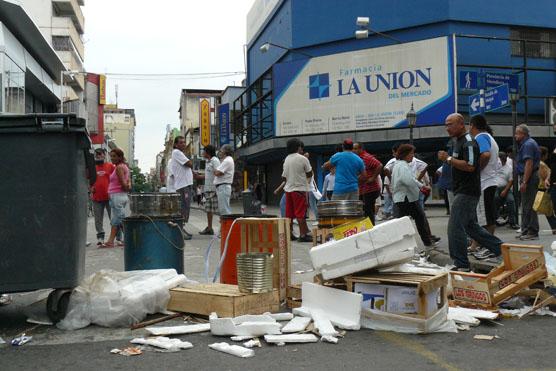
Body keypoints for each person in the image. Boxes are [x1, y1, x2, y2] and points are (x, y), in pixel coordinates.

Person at [438, 113, 502, 271]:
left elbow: (471, 165)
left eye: (450, 124)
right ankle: (503, 249)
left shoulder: (468, 142)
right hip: (462, 189)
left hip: (468, 191)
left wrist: (448, 159)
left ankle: (462, 264)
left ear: (461, 124)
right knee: (471, 226)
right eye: (446, 125)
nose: (447, 128)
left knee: (455, 226)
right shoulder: (458, 142)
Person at [392, 144, 437, 248]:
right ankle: (427, 242)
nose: (412, 156)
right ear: (405, 154)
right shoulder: (402, 166)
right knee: (419, 219)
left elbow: (410, 179)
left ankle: (403, 245)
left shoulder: (400, 165)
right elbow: (408, 180)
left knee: (405, 221)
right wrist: (422, 186)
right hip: (407, 198)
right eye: (411, 153)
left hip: (404, 198)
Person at [468, 115, 500, 258]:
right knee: (485, 216)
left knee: (486, 217)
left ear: (472, 125)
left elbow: (485, 155)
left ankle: (489, 246)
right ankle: (477, 244)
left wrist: (476, 169)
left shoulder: (480, 137)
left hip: (485, 182)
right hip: (490, 181)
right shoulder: (489, 137)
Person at [282, 138, 313, 242]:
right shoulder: (302, 158)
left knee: (289, 213)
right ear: (298, 147)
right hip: (299, 189)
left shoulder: (286, 159)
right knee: (301, 213)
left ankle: (289, 234)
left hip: (288, 190)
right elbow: (309, 173)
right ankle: (303, 234)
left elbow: (284, 177)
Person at [515, 124, 541, 240]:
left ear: (523, 134)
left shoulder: (528, 144)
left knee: (529, 205)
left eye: (517, 133)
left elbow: (529, 164)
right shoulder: (528, 143)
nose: (515, 136)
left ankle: (532, 231)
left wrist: (524, 181)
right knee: (526, 205)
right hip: (528, 176)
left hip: (529, 177)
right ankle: (526, 230)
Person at [102, 148, 131, 248]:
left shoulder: (119, 168)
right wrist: (127, 188)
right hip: (120, 195)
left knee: (118, 219)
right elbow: (128, 182)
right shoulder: (124, 166)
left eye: (114, 156)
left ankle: (122, 239)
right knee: (118, 218)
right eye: (111, 156)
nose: (112, 158)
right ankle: (119, 240)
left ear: (120, 157)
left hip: (117, 196)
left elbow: (123, 183)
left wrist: (125, 188)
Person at [168, 136, 194, 239]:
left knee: (185, 208)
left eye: (184, 142)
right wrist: (190, 162)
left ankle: (181, 228)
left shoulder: (180, 153)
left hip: (185, 184)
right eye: (181, 143)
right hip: (183, 185)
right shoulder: (176, 152)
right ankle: (179, 231)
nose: (183, 144)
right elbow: (189, 164)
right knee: (183, 208)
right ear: (176, 144)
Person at [354, 142, 383, 224]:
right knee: (365, 209)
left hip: (370, 188)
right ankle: (369, 226)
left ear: (361, 149)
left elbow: (379, 165)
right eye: (353, 149)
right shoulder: (358, 157)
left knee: (368, 210)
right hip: (364, 188)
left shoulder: (366, 157)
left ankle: (371, 227)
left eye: (356, 148)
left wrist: (373, 178)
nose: (354, 150)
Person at [91, 148, 115, 246]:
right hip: (96, 198)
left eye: (100, 154)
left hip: (109, 197)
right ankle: (100, 237)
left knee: (113, 218)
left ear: (105, 155)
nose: (98, 156)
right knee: (98, 219)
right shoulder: (92, 167)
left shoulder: (110, 166)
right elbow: (88, 178)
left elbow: (115, 179)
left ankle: (117, 237)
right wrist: (90, 187)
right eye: (97, 154)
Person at [196, 144, 220, 235]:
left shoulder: (215, 160)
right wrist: (199, 176)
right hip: (208, 189)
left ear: (208, 152)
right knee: (209, 209)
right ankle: (209, 227)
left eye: (204, 151)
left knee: (216, 209)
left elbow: (218, 172)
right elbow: (208, 175)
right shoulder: (208, 162)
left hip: (213, 189)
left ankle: (221, 229)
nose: (202, 153)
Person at [494, 152, 518, 229]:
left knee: (511, 201)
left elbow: (511, 180)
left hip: (505, 187)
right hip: (495, 187)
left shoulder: (509, 167)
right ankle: (496, 218)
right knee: (495, 198)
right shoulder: (494, 166)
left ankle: (512, 222)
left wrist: (505, 190)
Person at [538, 146, 556, 233]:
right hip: (547, 187)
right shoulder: (541, 164)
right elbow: (548, 174)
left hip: (546, 187)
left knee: (548, 209)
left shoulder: (541, 164)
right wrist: (548, 178)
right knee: (549, 209)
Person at [380, 144, 400, 220]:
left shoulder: (406, 160)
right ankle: (392, 215)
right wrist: (392, 179)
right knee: (391, 203)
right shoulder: (393, 161)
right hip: (394, 188)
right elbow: (385, 169)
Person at [214, 144, 235, 216]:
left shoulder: (227, 160)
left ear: (225, 151)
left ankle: (227, 226)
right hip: (223, 187)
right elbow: (218, 172)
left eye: (221, 151)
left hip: (223, 186)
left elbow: (217, 172)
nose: (219, 152)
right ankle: (225, 226)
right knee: (223, 209)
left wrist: (216, 171)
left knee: (224, 210)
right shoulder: (225, 160)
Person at [304, 152, 322, 220]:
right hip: (309, 189)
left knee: (312, 205)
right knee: (309, 205)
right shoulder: (307, 167)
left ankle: (318, 218)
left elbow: (309, 180)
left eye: (306, 156)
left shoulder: (309, 168)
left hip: (310, 189)